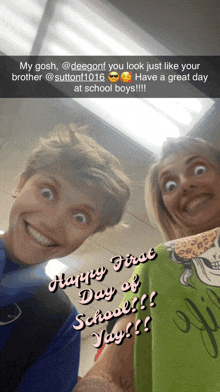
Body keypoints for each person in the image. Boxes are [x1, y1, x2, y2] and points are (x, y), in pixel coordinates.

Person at [73, 136, 220, 392]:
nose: (185, 185)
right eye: (170, 185)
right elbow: (110, 372)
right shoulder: (160, 265)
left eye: (198, 169)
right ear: (168, 210)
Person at [0, 124, 130, 392]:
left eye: (80, 216)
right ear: (20, 183)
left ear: (92, 233)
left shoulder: (59, 326)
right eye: (47, 192)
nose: (52, 222)